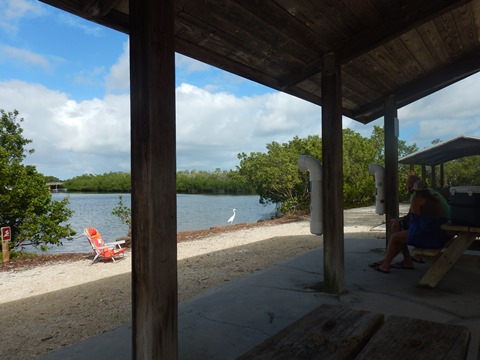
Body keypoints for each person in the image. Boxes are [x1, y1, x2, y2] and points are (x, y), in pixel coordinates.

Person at [369, 180, 449, 273]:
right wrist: (400, 222)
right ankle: (407, 261)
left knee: (395, 236)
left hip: (428, 238)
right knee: (400, 232)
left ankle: (385, 265)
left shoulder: (417, 200)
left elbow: (413, 221)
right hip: (438, 236)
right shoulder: (435, 199)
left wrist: (398, 222)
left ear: (414, 190)